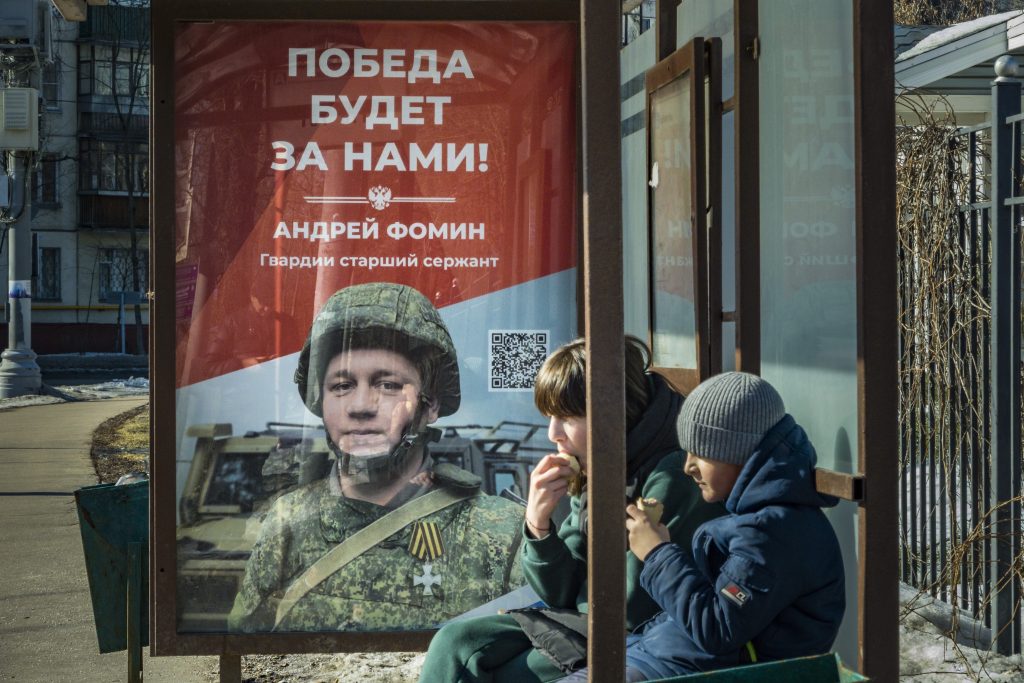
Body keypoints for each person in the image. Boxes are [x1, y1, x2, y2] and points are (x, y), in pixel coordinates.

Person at [418, 337, 724, 682]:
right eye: (550, 417)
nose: (553, 434)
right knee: (454, 641)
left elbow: (631, 608)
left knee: (491, 671)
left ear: (612, 412)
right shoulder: (604, 461)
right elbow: (559, 592)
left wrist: (574, 592)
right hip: (586, 622)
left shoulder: (672, 474)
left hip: (643, 639)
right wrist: (538, 525)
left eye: (566, 417)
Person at [228, 282, 525, 632]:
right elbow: (247, 650)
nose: (360, 407)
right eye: (341, 386)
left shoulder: (504, 533)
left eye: (388, 385)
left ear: (431, 406)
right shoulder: (286, 523)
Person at [566, 372, 846, 680]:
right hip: (670, 655)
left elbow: (717, 628)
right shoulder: (761, 518)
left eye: (701, 452)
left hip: (696, 669)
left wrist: (657, 553)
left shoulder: (773, 534)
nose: (688, 466)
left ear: (739, 451)